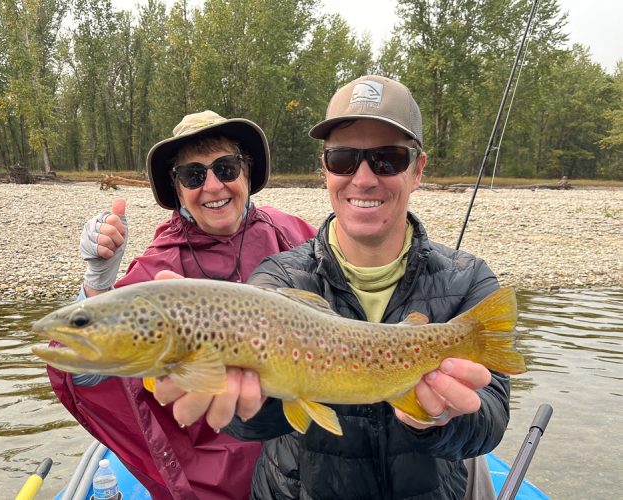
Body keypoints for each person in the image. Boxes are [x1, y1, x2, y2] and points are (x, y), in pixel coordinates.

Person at [155, 76, 511, 499]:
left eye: (387, 159)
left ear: (418, 171)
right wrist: (248, 396)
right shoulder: (279, 278)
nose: (362, 179)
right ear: (324, 170)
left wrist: (440, 421)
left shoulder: (470, 280)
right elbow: (249, 424)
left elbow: (489, 422)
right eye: (343, 159)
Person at [46, 110, 316, 499]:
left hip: (304, 448)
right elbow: (78, 370)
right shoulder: (157, 274)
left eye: (225, 168)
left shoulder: (295, 234)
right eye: (193, 175)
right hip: (215, 471)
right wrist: (96, 288)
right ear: (177, 188)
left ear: (246, 171)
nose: (212, 186)